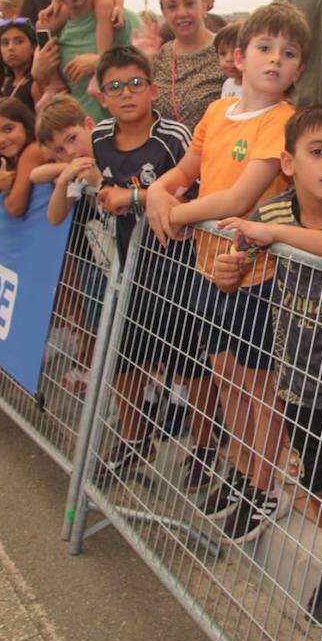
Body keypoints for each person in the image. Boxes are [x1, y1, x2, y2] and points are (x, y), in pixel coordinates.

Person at [218, 105, 322, 641]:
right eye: (317, 153)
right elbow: (235, 262)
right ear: (288, 162)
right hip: (299, 383)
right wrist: (231, 268)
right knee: (318, 487)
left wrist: (275, 236)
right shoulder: (272, 210)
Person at [145, 2, 308, 544]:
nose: (274, 60)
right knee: (224, 374)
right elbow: (187, 171)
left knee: (258, 386)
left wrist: (172, 211)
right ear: (238, 58)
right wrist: (155, 190)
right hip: (209, 268)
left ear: (298, 69)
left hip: (256, 277)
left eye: (288, 54)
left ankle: (266, 485)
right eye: (264, 48)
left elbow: (240, 197)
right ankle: (241, 471)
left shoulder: (282, 121)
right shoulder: (217, 115)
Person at [71, 47, 195, 480]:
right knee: (124, 357)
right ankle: (134, 438)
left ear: (153, 89)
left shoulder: (175, 137)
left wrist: (136, 196)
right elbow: (104, 182)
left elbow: (189, 193)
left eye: (136, 84)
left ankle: (205, 444)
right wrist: (101, 185)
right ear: (102, 97)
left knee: (189, 363)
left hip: (180, 270)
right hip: (130, 269)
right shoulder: (101, 136)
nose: (127, 94)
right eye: (115, 87)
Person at [39, 0, 142, 122]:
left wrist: (101, 62)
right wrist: (37, 73)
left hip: (131, 139)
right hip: (86, 144)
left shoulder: (120, 19)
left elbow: (153, 70)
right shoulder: (56, 36)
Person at [148, 0, 224, 130]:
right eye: (172, 6)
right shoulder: (161, 56)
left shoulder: (225, 51)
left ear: (204, 5)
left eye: (189, 3)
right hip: (166, 152)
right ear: (164, 12)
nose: (181, 13)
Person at [0, 97, 44, 218]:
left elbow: (14, 208)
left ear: (26, 126)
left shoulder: (33, 150)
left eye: (8, 129)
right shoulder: (10, 159)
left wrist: (6, 195)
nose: (1, 139)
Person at [0, 18, 37, 109]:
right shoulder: (6, 83)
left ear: (33, 48)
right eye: (5, 43)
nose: (10, 48)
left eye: (19, 41)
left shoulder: (36, 84)